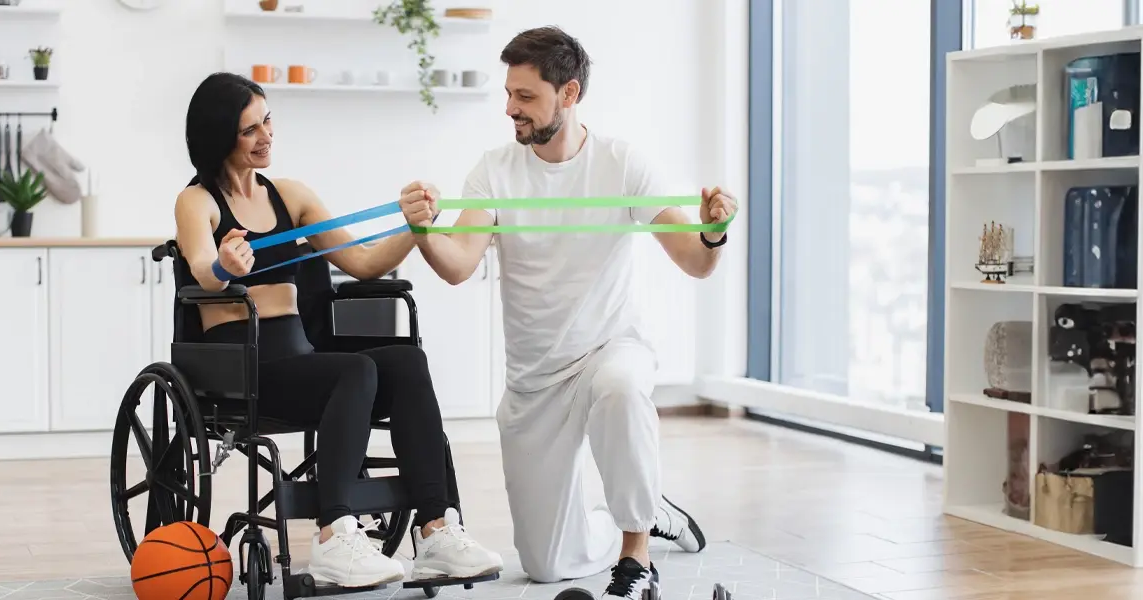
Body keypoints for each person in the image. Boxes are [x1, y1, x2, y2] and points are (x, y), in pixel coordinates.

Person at [396, 27, 736, 600]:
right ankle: (647, 508)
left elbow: (695, 261)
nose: (510, 109)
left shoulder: (622, 163)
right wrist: (423, 229)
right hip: (535, 381)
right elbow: (456, 265)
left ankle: (636, 557)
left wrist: (713, 231)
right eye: (509, 94)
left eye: (525, 97)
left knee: (624, 388)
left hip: (610, 346)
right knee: (548, 565)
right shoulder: (493, 172)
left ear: (569, 93)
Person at [174, 72, 503, 588]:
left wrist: (412, 225)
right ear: (219, 137)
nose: (266, 136)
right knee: (355, 371)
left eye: (267, 120)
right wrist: (224, 267)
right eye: (249, 130)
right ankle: (334, 536)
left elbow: (365, 262)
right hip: (240, 364)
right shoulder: (198, 201)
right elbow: (199, 267)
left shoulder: (292, 195)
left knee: (405, 361)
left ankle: (437, 528)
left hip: (296, 356)